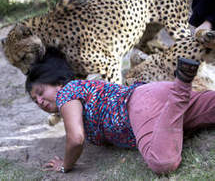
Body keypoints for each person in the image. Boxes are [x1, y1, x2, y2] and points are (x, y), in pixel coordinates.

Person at [25, 52, 215, 174]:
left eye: (40, 93)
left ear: (58, 83)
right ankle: (181, 85)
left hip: (139, 107)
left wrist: (65, 165)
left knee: (162, 162)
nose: (40, 101)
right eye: (35, 101)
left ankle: (181, 88)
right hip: (155, 94)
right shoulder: (82, 89)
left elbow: (76, 138)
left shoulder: (66, 92)